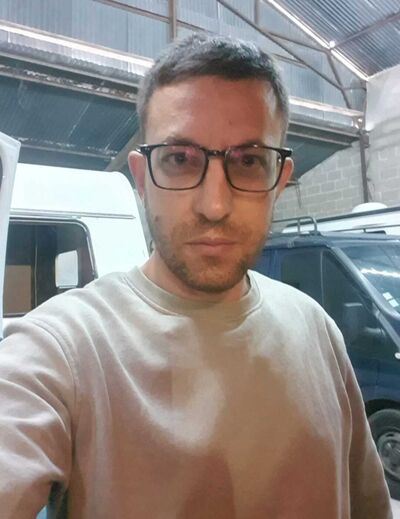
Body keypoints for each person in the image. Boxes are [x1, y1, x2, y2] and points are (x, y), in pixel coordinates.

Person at [0, 33, 392, 519]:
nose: (214, 205)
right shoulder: (62, 348)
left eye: (249, 161)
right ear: (141, 178)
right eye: (180, 160)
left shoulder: (317, 330)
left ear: (280, 179)